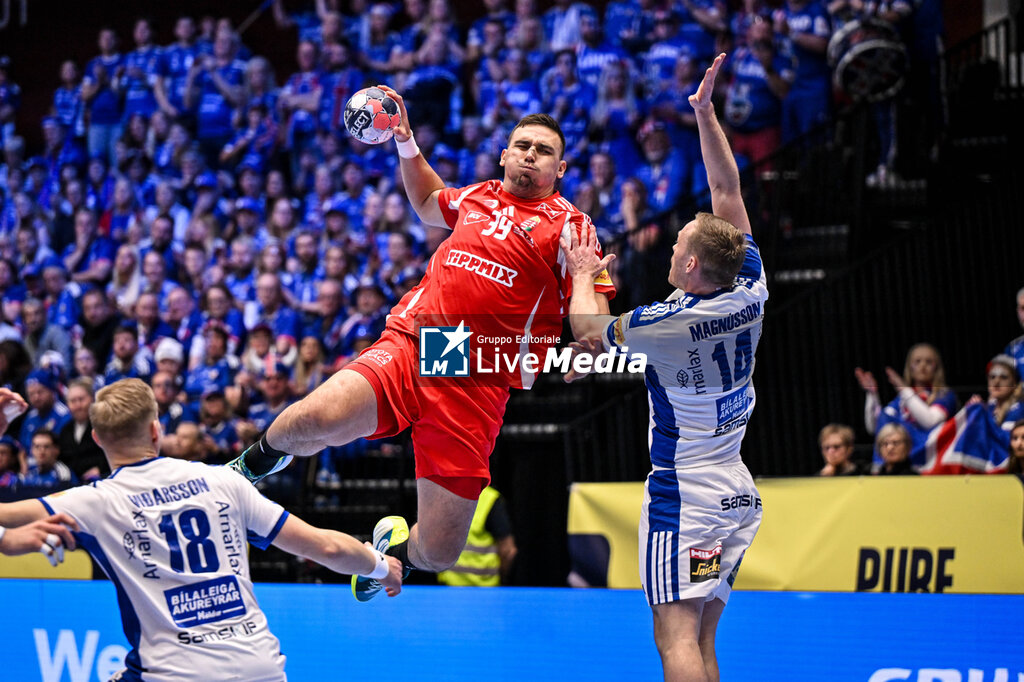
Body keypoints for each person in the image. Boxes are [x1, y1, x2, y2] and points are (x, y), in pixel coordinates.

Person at [228, 90, 616, 602]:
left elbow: (592, 329)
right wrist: (406, 142)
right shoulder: (477, 197)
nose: (530, 155)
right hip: (423, 341)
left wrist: (585, 283)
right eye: (522, 145)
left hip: (479, 381)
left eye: (543, 151)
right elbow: (430, 202)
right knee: (315, 417)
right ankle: (239, 475)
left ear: (559, 169)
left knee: (439, 551)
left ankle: (391, 555)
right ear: (504, 155)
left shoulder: (572, 226)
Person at [560, 54, 763, 681]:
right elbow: (727, 191)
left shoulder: (666, 323)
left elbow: (588, 331)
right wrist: (704, 113)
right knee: (701, 641)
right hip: (734, 492)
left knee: (675, 641)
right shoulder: (748, 284)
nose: (672, 246)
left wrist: (586, 273)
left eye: (678, 244)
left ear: (693, 265)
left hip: (688, 496)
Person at [0, 378, 403, 680]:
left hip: (173, 672)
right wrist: (382, 566)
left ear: (96, 439)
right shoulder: (222, 481)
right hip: (260, 668)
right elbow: (325, 547)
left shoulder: (93, 502)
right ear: (156, 430)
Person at [437, 485, 518, 586]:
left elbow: (508, 551)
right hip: (450, 589)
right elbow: (508, 551)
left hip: (483, 590)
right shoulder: (445, 494)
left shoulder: (490, 500)